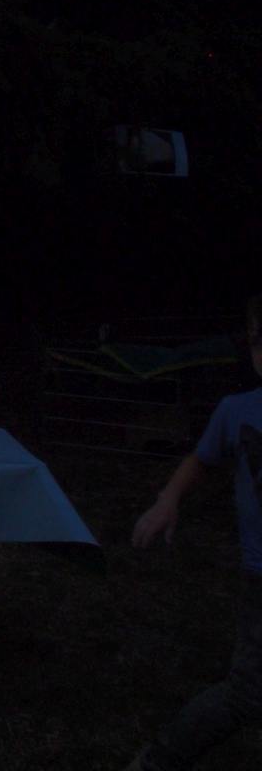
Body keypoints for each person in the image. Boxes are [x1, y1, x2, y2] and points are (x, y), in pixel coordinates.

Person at [124, 294, 262, 771]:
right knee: (247, 694)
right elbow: (201, 460)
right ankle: (158, 761)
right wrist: (169, 499)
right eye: (259, 341)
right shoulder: (237, 411)